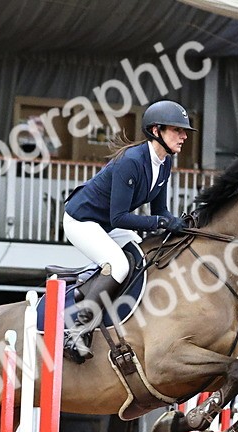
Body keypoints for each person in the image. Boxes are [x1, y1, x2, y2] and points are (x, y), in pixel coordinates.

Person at [61, 99, 195, 360]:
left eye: (184, 131)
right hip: (82, 220)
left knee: (140, 253)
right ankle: (76, 330)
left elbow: (160, 212)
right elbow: (120, 216)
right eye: (177, 130)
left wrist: (179, 224)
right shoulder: (132, 162)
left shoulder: (164, 163)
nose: (184, 136)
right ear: (156, 131)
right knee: (119, 265)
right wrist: (161, 223)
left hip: (106, 224)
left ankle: (89, 291)